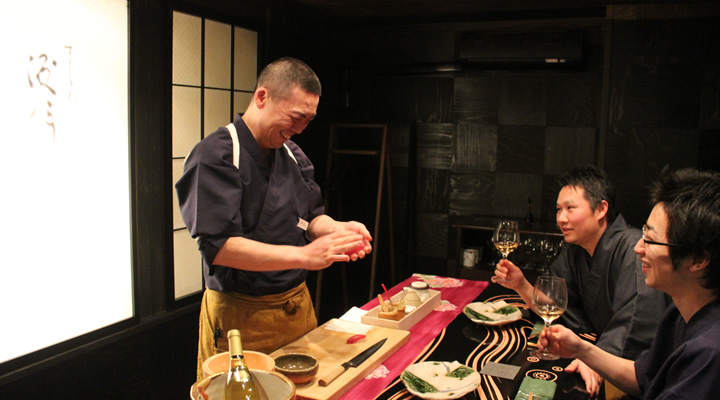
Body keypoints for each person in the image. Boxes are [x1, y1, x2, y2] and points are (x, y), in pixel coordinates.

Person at [175, 57, 373, 380]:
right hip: (241, 315)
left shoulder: (293, 154)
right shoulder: (216, 155)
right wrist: (305, 256)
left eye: (308, 120)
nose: (300, 129)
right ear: (262, 97)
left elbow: (309, 219)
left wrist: (336, 230)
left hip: (296, 308)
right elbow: (219, 247)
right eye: (296, 117)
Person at [538, 167, 720, 399]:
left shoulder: (709, 352)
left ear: (697, 260)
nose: (638, 247)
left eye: (650, 240)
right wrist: (581, 349)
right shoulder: (678, 314)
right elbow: (642, 377)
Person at [493, 165, 670, 396]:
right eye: (558, 209)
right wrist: (522, 285)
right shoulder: (577, 251)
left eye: (570, 208)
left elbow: (635, 323)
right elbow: (558, 306)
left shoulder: (633, 250)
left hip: (632, 378)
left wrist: (595, 361)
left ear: (601, 209)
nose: (561, 218)